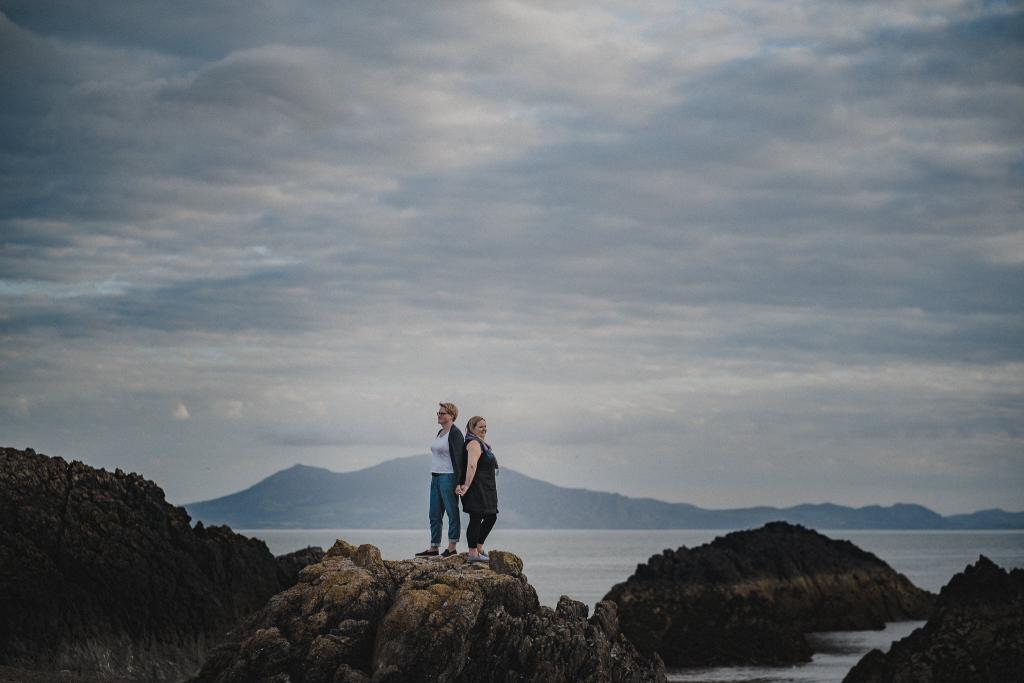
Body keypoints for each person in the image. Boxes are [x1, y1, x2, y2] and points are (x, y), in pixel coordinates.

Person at [415, 402, 466, 558]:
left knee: (452, 512)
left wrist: (459, 482)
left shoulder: (455, 434)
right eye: (438, 413)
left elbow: (460, 459)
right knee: (434, 514)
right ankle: (434, 547)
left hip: (449, 477)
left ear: (451, 416)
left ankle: (452, 547)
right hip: (435, 477)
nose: (439, 415)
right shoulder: (440, 432)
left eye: (442, 413)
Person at [456, 415, 498, 562]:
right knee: (476, 517)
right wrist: (466, 485)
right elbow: (471, 465)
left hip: (487, 487)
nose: (484, 429)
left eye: (485, 426)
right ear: (472, 428)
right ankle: (473, 553)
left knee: (491, 517)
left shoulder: (482, 443)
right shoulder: (474, 443)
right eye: (481, 427)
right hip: (476, 487)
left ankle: (479, 548)